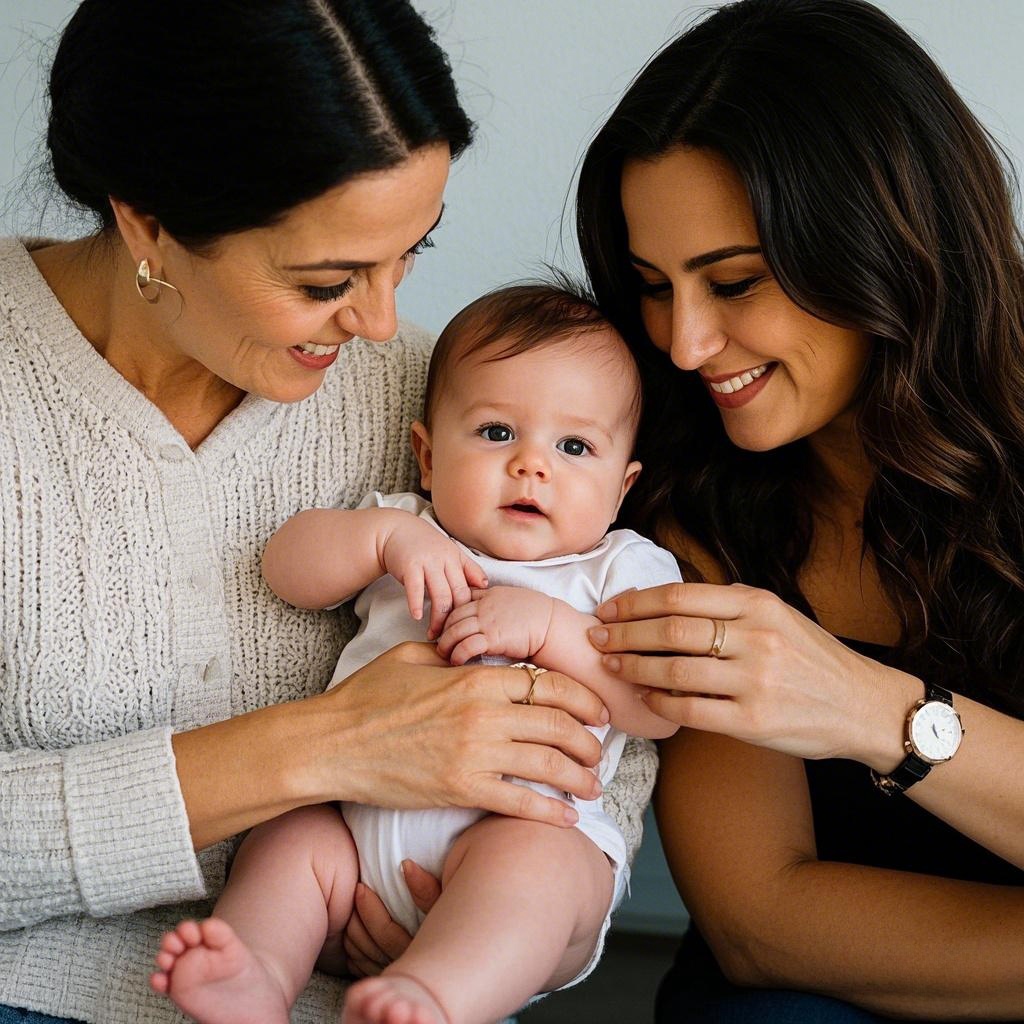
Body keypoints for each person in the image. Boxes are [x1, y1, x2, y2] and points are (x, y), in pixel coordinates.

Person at [0, 4, 660, 1023]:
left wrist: (474, 936)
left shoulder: (457, 392)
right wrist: (317, 748)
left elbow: (609, 774)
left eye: (410, 255)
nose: (382, 321)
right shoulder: (447, 442)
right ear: (148, 221)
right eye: (326, 280)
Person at [573, 0, 1024, 1020]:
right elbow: (758, 919)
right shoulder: (686, 495)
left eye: (733, 281)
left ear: (882, 242)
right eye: (653, 286)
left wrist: (867, 709)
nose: (685, 343)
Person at [148, 283, 683, 1024]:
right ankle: (255, 976)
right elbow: (286, 570)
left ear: (622, 488)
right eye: (497, 433)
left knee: (536, 870)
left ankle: (436, 997)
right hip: (357, 829)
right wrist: (383, 541)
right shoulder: (412, 529)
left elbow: (658, 708)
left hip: (528, 830)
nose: (533, 465)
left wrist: (552, 633)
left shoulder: (622, 570)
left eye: (574, 446)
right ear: (427, 456)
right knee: (290, 840)